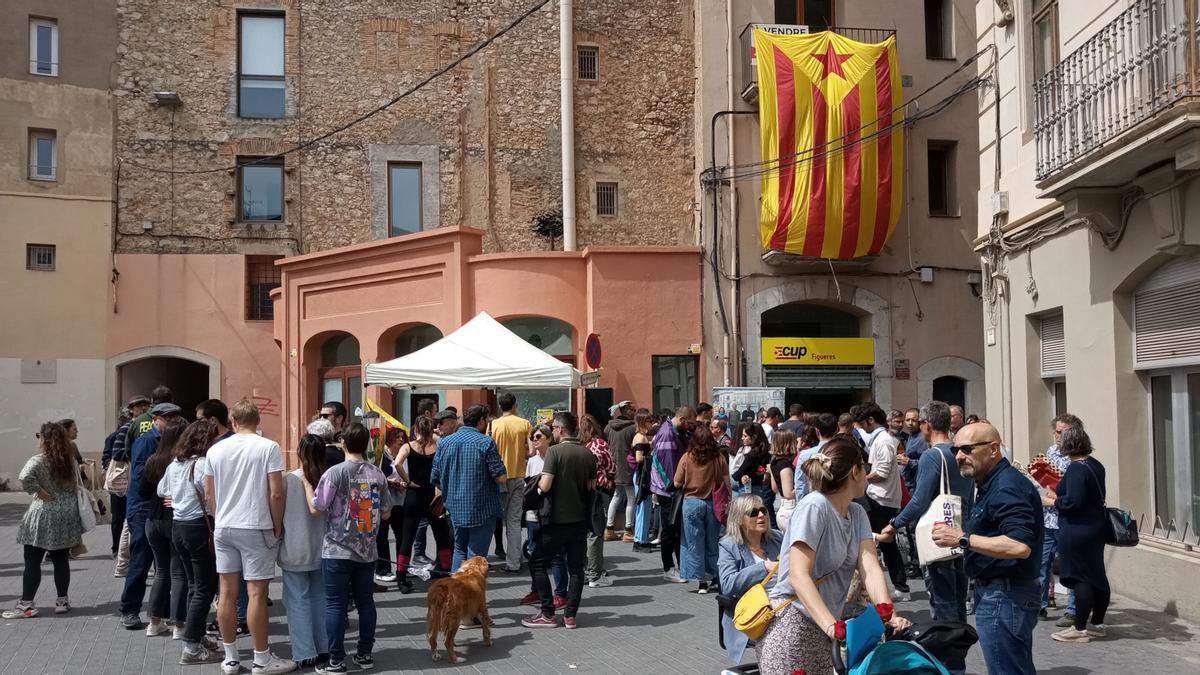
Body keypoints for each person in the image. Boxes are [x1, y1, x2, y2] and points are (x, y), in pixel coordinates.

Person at [757, 438, 912, 673]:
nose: (867, 474)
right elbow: (798, 575)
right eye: (865, 468)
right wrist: (831, 626)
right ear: (855, 471)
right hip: (792, 623)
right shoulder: (814, 507)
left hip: (827, 629)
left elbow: (870, 567)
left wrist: (888, 614)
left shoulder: (857, 512)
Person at [930, 422, 1042, 675]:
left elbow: (1019, 545)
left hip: (1005, 594)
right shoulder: (990, 482)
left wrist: (962, 539)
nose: (959, 456)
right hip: (1002, 593)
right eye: (955, 450)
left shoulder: (1006, 486)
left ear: (993, 449)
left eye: (967, 449)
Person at [878, 401, 974, 671]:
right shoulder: (960, 452)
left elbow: (919, 501)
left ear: (927, 425)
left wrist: (895, 523)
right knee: (958, 601)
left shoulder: (933, 456)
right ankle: (958, 663)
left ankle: (948, 665)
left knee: (942, 604)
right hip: (960, 531)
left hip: (938, 534)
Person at [203, 400, 293, 675]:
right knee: (256, 594)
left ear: (232, 421)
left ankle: (230, 657)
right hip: (255, 524)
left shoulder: (215, 449)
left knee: (227, 593)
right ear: (258, 421)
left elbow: (209, 493)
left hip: (224, 525)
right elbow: (276, 492)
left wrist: (219, 517)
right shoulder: (268, 447)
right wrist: (277, 525)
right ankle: (261, 658)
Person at [308, 423, 393, 674]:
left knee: (335, 604)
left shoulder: (334, 473)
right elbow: (386, 512)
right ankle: (365, 654)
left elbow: (318, 507)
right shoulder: (377, 474)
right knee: (366, 602)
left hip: (337, 548)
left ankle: (336, 660)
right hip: (367, 549)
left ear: (343, 442)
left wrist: (306, 486)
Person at [3, 422, 85, 620]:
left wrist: (39, 491)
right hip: (66, 513)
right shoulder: (70, 461)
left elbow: (25, 477)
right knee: (61, 559)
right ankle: (62, 601)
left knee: (33, 560)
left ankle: (26, 604)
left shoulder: (39, 460)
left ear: (45, 440)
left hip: (44, 513)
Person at [522, 412, 597, 629]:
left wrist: (534, 486)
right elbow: (591, 487)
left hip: (556, 520)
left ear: (561, 429)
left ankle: (547, 613)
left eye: (554, 427)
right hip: (580, 520)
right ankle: (570, 616)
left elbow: (545, 485)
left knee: (536, 562)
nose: (552, 431)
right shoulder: (587, 454)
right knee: (576, 569)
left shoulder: (555, 452)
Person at [157, 420, 223, 665]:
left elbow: (162, 490)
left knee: (194, 584)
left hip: (179, 526)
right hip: (198, 526)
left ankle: (196, 633)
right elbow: (210, 495)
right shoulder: (202, 464)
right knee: (205, 587)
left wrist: (176, 498)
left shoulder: (176, 463)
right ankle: (192, 647)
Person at [120, 402, 183, 630]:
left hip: (164, 507)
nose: (172, 420)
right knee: (141, 560)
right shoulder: (146, 441)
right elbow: (140, 475)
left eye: (175, 417)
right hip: (144, 507)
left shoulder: (176, 440)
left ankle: (161, 612)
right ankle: (130, 609)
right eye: (167, 417)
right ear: (155, 419)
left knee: (165, 565)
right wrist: (169, 477)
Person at [1049, 426, 1110, 643]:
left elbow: (1074, 501)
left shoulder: (1076, 468)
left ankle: (1080, 628)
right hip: (1095, 527)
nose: (1058, 441)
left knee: (1081, 577)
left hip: (1078, 529)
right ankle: (1097, 624)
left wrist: (1053, 501)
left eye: (1061, 438)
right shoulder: (1095, 464)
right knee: (1097, 574)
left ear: (1069, 444)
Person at [431, 405, 507, 572]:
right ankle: (469, 587)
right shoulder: (486, 442)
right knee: (476, 555)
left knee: (459, 549)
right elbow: (501, 477)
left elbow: (435, 477)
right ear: (481, 421)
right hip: (483, 507)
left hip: (455, 507)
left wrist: (452, 488)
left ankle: (457, 587)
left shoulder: (445, 443)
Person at [278, 434, 330, 668]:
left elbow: (278, 511)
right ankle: (324, 646)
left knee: (297, 601)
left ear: (299, 452)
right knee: (320, 599)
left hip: (294, 546)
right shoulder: (328, 479)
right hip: (322, 548)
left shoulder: (288, 479)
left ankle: (303, 651)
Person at [717, 494, 782, 664]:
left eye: (763, 511)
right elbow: (727, 584)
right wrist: (763, 568)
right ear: (739, 519)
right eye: (753, 512)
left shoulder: (777, 538)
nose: (761, 515)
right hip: (756, 614)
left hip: (784, 605)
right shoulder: (729, 546)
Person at [392, 415, 454, 591]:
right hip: (433, 495)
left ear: (416, 429)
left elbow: (397, 464)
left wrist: (408, 481)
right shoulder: (438, 446)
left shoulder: (408, 446)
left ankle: (401, 578)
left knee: (407, 538)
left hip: (414, 495)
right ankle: (445, 572)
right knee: (442, 535)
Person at [142, 417, 190, 639]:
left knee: (161, 571)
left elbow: (142, 491)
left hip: (153, 519)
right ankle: (179, 625)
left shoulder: (153, 459)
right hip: (175, 519)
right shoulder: (182, 461)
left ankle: (154, 622)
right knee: (178, 573)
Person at [856, 403, 908, 596]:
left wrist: (861, 479)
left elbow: (882, 473)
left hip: (882, 498)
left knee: (886, 543)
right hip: (880, 497)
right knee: (884, 543)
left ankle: (900, 586)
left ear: (871, 420)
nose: (863, 429)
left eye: (863, 424)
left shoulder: (883, 441)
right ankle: (898, 586)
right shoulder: (881, 439)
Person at [673, 426, 730, 593]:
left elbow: (676, 482)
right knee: (712, 542)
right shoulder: (718, 458)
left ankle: (701, 581)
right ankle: (715, 575)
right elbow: (726, 482)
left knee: (693, 543)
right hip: (713, 503)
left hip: (691, 503)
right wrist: (729, 501)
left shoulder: (687, 457)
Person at [519, 424, 569, 610]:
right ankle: (537, 590)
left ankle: (561, 594)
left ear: (549, 439)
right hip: (533, 515)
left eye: (539, 436)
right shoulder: (532, 461)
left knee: (556, 555)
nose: (535, 439)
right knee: (533, 553)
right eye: (533, 437)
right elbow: (527, 487)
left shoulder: (555, 458)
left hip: (551, 514)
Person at [1041, 414, 1081, 625]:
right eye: (1056, 431)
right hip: (1048, 518)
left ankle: (1073, 610)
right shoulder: (1051, 451)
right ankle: (1040, 605)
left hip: (1067, 519)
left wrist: (1056, 494)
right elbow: (1046, 480)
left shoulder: (1078, 457)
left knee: (1070, 566)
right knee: (1042, 563)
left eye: (1062, 432)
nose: (1058, 436)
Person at [651, 406, 695, 582]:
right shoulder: (668, 434)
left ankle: (679, 566)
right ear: (682, 419)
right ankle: (669, 568)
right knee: (670, 529)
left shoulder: (674, 431)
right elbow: (668, 466)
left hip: (670, 488)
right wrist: (675, 486)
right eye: (690, 423)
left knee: (675, 528)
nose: (690, 427)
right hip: (668, 490)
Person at [490, 393, 532, 574]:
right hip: (518, 476)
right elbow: (531, 451)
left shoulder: (493, 425)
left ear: (500, 406)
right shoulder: (525, 424)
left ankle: (481, 560)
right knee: (514, 521)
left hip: (498, 477)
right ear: (515, 405)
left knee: (492, 519)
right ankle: (514, 562)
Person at [578, 414, 616, 588]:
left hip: (580, 491)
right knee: (596, 532)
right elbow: (611, 467)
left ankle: (584, 569)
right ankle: (595, 574)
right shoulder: (599, 444)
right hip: (598, 491)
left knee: (582, 532)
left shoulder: (579, 446)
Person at [374, 427, 408, 585]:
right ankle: (382, 570)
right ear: (389, 439)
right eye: (397, 437)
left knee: (402, 535)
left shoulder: (405, 455)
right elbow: (376, 476)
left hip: (400, 500)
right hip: (384, 501)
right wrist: (389, 482)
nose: (400, 440)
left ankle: (402, 568)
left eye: (402, 437)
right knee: (382, 536)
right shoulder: (382, 456)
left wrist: (404, 483)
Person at [103, 404, 138, 559]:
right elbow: (106, 458)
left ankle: (124, 547)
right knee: (118, 517)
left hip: (129, 481)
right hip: (119, 482)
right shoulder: (113, 437)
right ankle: (116, 547)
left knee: (123, 517)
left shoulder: (137, 434)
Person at [604, 400, 638, 542]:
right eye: (632, 410)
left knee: (616, 496)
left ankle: (609, 528)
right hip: (628, 467)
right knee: (631, 497)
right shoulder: (633, 428)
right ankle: (628, 530)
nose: (634, 412)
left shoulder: (608, 427)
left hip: (613, 466)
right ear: (625, 410)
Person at [733, 423, 775, 529]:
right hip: (761, 489)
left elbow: (737, 475)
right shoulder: (765, 452)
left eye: (745, 436)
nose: (742, 438)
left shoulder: (752, 455)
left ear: (753, 437)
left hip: (750, 489)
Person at [630, 409, 656, 553]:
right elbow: (639, 458)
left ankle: (642, 538)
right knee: (643, 508)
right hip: (642, 476)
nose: (651, 423)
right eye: (649, 420)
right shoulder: (640, 438)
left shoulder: (641, 437)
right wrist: (651, 455)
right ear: (643, 421)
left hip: (642, 475)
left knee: (644, 508)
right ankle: (640, 541)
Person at [794, 413, 836, 500]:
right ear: (837, 430)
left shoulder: (805, 455)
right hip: (839, 502)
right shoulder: (845, 452)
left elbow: (801, 485)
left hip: (814, 500)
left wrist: (802, 504)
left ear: (817, 431)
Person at [768, 429, 798, 535]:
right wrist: (804, 486)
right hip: (791, 509)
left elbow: (775, 488)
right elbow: (788, 494)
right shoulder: (785, 465)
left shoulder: (774, 462)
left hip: (783, 509)